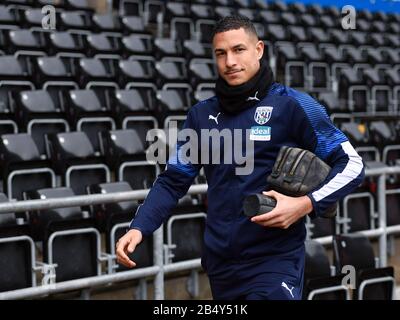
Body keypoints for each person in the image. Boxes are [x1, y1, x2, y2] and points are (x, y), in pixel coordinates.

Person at [116, 15, 365, 300]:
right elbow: (173, 180)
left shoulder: (294, 105)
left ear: (258, 49)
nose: (230, 62)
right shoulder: (201, 116)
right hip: (221, 264)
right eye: (221, 54)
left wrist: (305, 204)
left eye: (238, 50)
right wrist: (139, 227)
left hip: (275, 262)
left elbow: (353, 165)